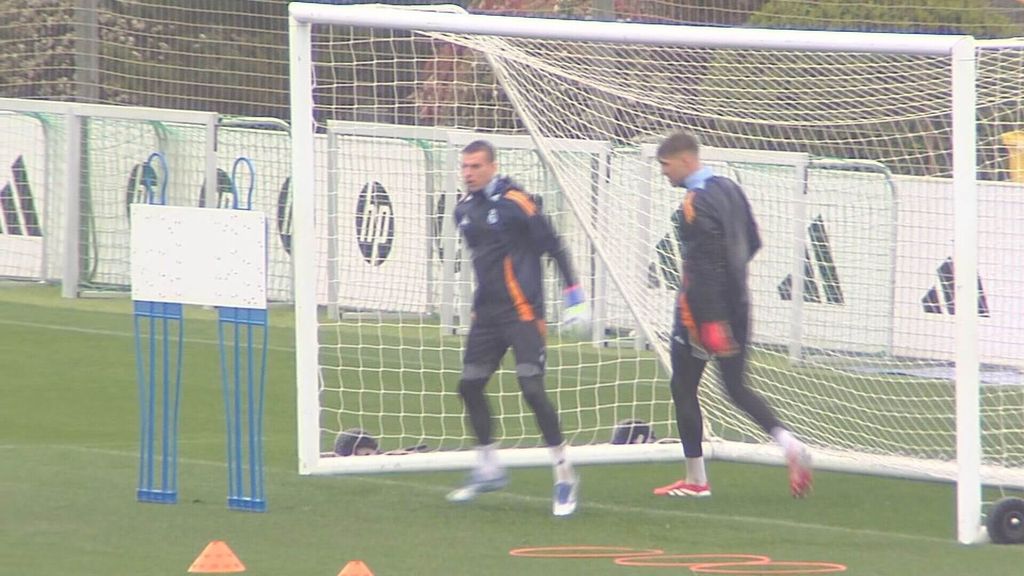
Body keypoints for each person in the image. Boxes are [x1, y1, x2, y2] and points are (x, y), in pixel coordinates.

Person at [653, 130, 813, 499]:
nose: (664, 172)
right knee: (736, 387)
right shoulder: (730, 188)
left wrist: (709, 320)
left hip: (702, 315)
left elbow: (704, 267)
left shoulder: (693, 203)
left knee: (683, 387)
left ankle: (696, 480)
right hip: (740, 303)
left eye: (665, 164)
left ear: (685, 160)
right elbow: (753, 241)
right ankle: (787, 442)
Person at [445, 139, 587, 516]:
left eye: (475, 166)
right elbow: (484, 262)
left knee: (531, 389)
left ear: (492, 166)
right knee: (469, 384)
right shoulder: (463, 210)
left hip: (523, 313)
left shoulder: (518, 202)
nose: (468, 173)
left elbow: (554, 245)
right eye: (465, 167)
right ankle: (489, 467)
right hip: (487, 316)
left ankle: (564, 476)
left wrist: (573, 294)